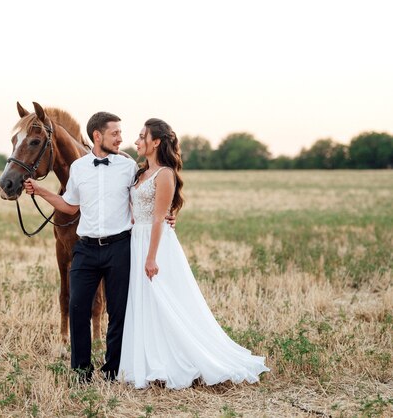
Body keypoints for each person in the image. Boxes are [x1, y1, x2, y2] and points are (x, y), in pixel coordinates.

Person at [117, 118, 269, 389]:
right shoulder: (140, 173)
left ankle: (180, 360)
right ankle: (152, 361)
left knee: (164, 299)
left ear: (156, 142)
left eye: (142, 136)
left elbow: (158, 219)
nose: (137, 141)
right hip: (136, 240)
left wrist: (151, 257)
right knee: (146, 302)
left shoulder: (164, 174)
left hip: (155, 244)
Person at [24, 111, 137, 382]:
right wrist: (41, 192)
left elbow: (146, 198)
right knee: (77, 308)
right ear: (97, 136)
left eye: (120, 133)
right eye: (115, 133)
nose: (121, 138)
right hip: (85, 248)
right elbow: (70, 205)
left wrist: (169, 214)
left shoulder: (129, 167)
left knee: (118, 312)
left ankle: (112, 371)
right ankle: (81, 372)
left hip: (118, 247)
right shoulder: (79, 168)